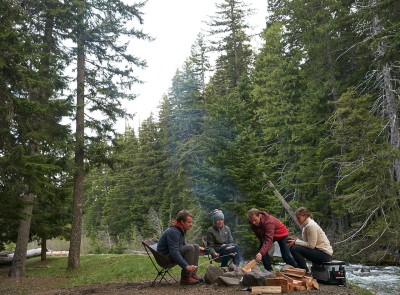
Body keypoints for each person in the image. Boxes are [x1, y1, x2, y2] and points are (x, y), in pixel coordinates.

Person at [157, 210, 203, 285]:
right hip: (165, 258)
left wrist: (198, 248)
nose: (191, 224)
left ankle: (192, 274)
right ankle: (186, 278)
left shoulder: (180, 229)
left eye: (191, 222)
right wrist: (186, 266)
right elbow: (174, 252)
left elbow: (182, 245)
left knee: (195, 246)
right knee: (190, 248)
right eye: (189, 222)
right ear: (182, 222)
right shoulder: (174, 231)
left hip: (169, 255)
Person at [287, 207, 333, 272]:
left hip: (324, 255)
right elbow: (307, 243)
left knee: (294, 249)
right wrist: (296, 240)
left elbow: (311, 245)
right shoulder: (306, 226)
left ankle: (304, 271)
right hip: (320, 252)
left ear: (305, 216)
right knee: (295, 247)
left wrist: (296, 242)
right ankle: (303, 270)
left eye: (299, 217)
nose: (297, 220)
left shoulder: (310, 225)